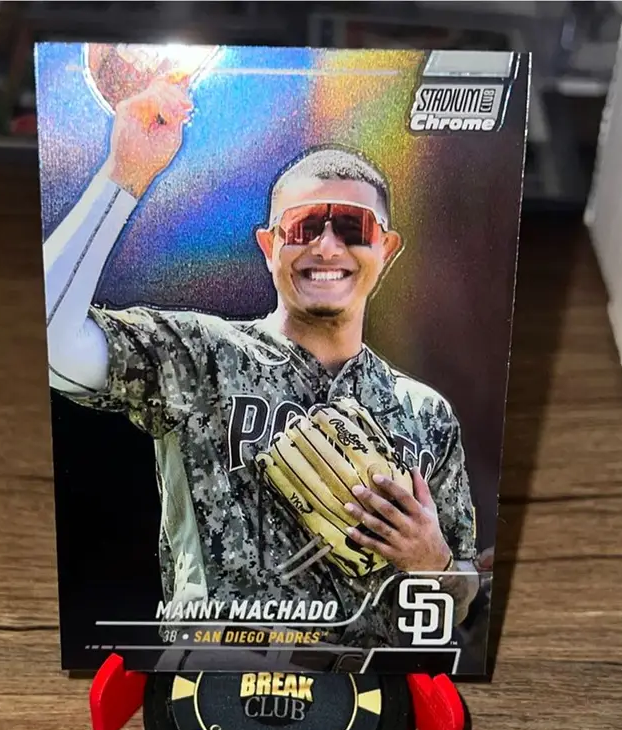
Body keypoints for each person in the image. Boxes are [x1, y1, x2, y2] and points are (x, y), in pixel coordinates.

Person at [43, 75, 479, 651]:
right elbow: (51, 343)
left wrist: (435, 562)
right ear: (270, 246)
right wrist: (124, 175)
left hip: (367, 688)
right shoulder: (201, 356)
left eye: (352, 227)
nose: (327, 246)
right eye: (303, 226)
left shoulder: (427, 414)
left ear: (386, 249)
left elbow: (464, 590)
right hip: (214, 673)